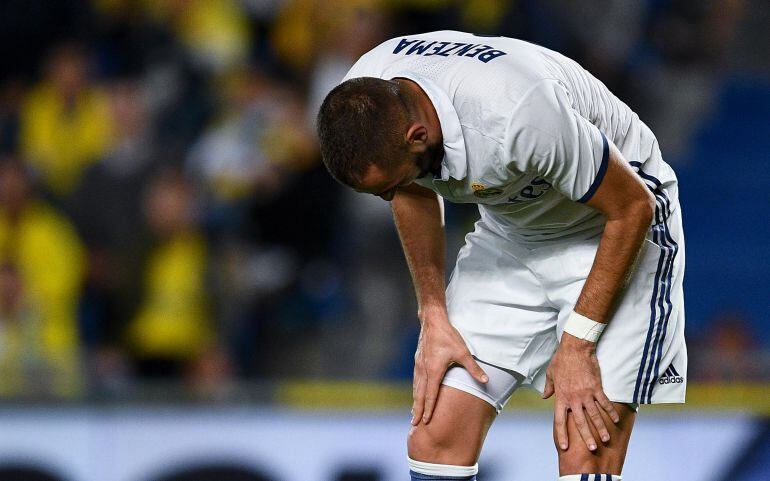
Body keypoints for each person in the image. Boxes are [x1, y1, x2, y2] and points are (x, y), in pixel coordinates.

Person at [316, 31, 686, 480]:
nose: (390, 197)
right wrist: (433, 315)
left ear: (418, 136)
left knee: (584, 445)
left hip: (611, 229)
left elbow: (632, 208)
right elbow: (410, 192)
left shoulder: (515, 112)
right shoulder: (369, 99)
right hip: (511, 231)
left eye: (390, 185)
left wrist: (578, 343)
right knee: (435, 436)